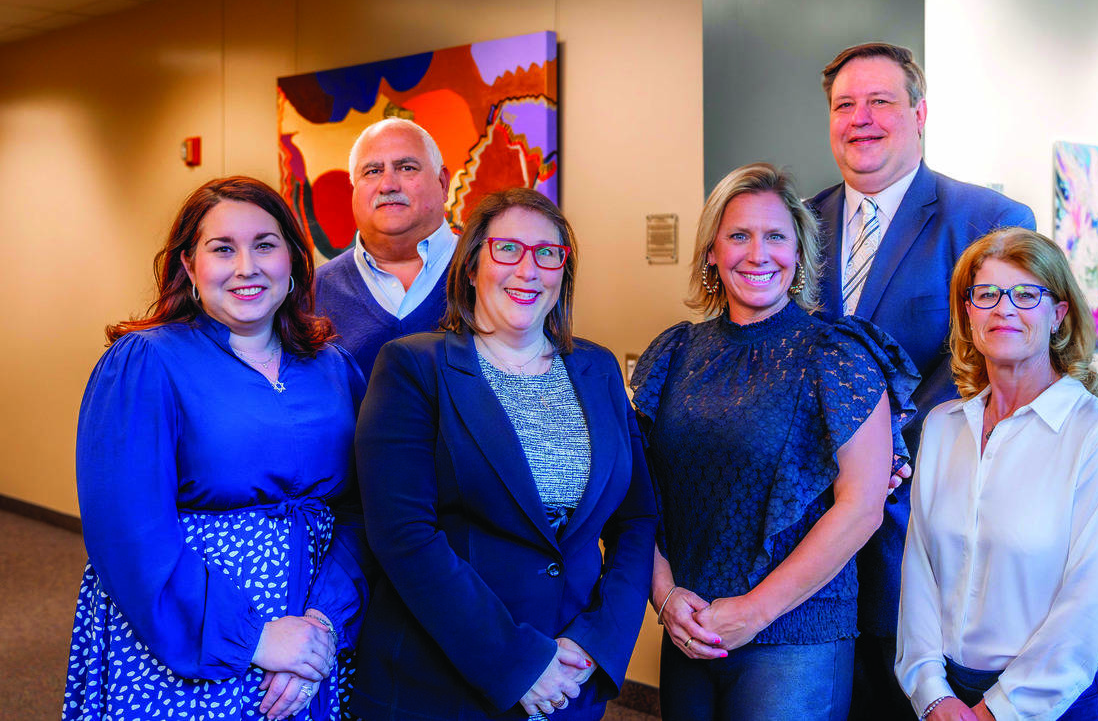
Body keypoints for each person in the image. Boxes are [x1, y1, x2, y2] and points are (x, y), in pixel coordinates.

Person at [64, 177, 369, 721]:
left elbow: (361, 509)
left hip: (313, 642)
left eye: (265, 245)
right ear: (188, 264)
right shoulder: (146, 363)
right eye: (222, 248)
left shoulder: (332, 366)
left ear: (295, 260)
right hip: (184, 636)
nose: (246, 267)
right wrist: (253, 639)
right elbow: (128, 532)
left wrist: (322, 623)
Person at [351, 188, 656, 720]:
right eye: (507, 250)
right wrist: (517, 663)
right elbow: (403, 535)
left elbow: (637, 517)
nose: (529, 269)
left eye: (548, 253)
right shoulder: (412, 367)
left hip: (568, 679)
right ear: (471, 266)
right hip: (443, 683)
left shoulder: (598, 368)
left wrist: (596, 641)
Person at [631, 163, 919, 720]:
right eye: (738, 235)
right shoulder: (674, 354)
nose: (757, 253)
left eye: (776, 237)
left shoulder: (838, 356)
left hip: (795, 638)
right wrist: (663, 594)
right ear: (712, 251)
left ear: (799, 253)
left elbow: (861, 508)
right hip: (690, 629)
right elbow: (642, 494)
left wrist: (753, 612)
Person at [807, 42, 1037, 718]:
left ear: (920, 112)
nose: (862, 118)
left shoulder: (987, 220)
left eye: (881, 101)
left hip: (923, 530)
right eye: (846, 105)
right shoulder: (797, 223)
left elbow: (994, 363)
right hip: (808, 543)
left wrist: (879, 451)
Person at [896, 227, 1098, 721]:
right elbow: (919, 573)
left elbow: (1090, 607)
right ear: (967, 313)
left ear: (1058, 315)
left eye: (1026, 295)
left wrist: (998, 711)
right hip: (947, 701)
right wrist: (931, 692)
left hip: (1059, 703)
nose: (1003, 309)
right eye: (986, 294)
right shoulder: (945, 427)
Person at [315, 117, 457, 377]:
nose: (388, 185)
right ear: (354, 190)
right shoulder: (311, 292)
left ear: (443, 183)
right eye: (372, 171)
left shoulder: (491, 274)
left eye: (406, 168)